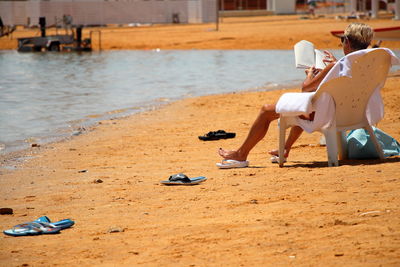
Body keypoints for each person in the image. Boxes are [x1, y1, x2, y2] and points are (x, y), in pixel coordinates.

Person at [218, 23, 374, 165]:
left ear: (346, 41)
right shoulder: (366, 64)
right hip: (355, 115)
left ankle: (241, 154)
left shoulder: (337, 65)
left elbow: (306, 88)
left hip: (327, 117)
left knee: (267, 110)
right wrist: (333, 66)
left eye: (342, 40)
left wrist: (310, 75)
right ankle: (284, 149)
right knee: (305, 104)